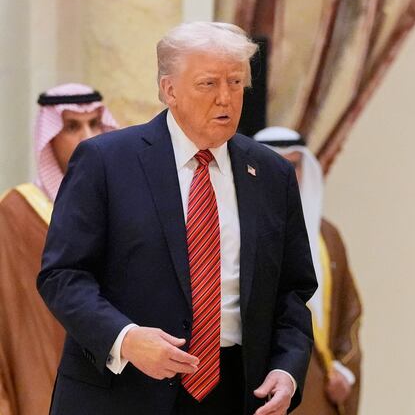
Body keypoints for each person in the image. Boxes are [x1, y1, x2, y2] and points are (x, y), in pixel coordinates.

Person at [37, 22, 317, 415]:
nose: (226, 99)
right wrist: (126, 338)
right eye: (208, 84)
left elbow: (292, 291)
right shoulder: (106, 161)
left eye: (236, 83)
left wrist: (287, 369)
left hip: (237, 392)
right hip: (125, 390)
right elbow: (62, 275)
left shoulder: (271, 174)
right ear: (169, 90)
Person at [0, 83, 117, 415]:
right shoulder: (17, 212)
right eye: (71, 127)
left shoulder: (124, 207)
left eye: (95, 123)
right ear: (48, 137)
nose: (87, 136)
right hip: (39, 370)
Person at [255, 127, 362, 415]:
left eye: (291, 166)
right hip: (256, 380)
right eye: (271, 165)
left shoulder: (327, 236)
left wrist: (344, 371)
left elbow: (350, 312)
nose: (283, 176)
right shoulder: (231, 230)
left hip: (317, 382)